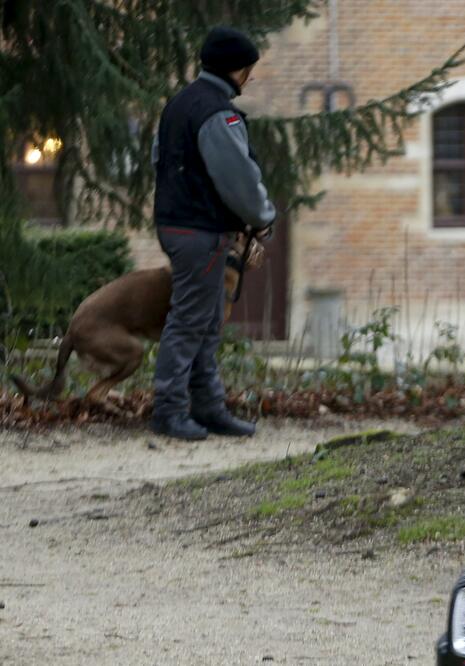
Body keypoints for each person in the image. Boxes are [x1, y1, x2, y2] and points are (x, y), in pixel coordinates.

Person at [150, 26, 276, 440]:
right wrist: (261, 217)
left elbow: (160, 160)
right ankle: (170, 410)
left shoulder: (180, 104)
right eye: (249, 69)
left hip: (178, 225)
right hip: (200, 230)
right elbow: (238, 177)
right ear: (236, 69)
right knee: (190, 321)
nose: (251, 77)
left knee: (203, 321)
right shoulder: (217, 113)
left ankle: (208, 407)